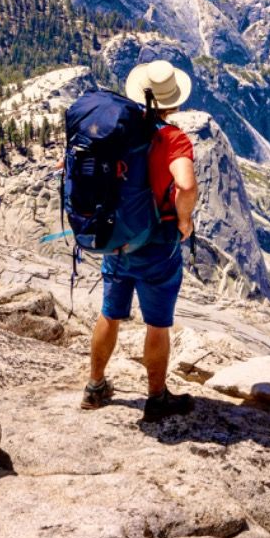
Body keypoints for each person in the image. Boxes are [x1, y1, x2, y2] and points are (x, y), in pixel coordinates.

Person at [81, 60, 200, 421]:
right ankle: (157, 397)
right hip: (156, 243)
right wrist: (184, 220)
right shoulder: (172, 137)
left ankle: (95, 387)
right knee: (157, 323)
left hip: (116, 237)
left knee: (110, 312)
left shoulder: (116, 130)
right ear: (173, 101)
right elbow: (186, 185)